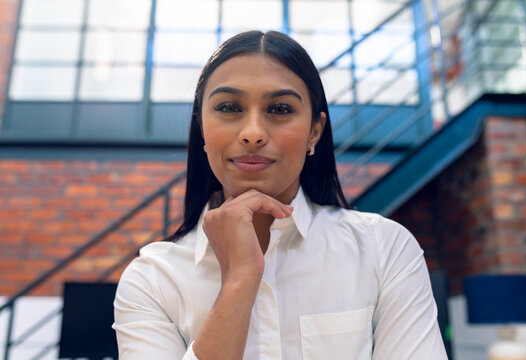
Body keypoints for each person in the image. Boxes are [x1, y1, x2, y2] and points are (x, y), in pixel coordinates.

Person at [113, 30, 447, 360]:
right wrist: (240, 279)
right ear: (202, 127)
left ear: (314, 131)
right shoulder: (153, 280)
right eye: (229, 107)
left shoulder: (383, 250)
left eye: (280, 109)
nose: (253, 134)